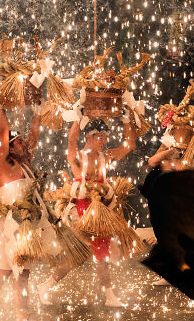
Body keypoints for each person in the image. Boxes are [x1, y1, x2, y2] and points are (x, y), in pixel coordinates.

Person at [38, 118, 136, 307]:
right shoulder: (78, 157)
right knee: (75, 257)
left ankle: (109, 296)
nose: (104, 141)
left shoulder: (105, 157)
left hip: (100, 210)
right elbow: (71, 140)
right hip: (81, 211)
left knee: (100, 255)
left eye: (106, 137)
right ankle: (45, 286)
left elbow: (129, 145)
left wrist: (126, 118)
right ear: (88, 137)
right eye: (100, 137)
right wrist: (78, 116)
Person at [0, 102, 45, 321]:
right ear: (9, 147)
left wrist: (38, 114)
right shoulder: (3, 163)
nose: (24, 145)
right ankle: (22, 317)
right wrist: (1, 110)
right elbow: (2, 134)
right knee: (22, 273)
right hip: (14, 226)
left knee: (4, 271)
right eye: (19, 142)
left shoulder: (24, 163)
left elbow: (34, 139)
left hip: (19, 225)